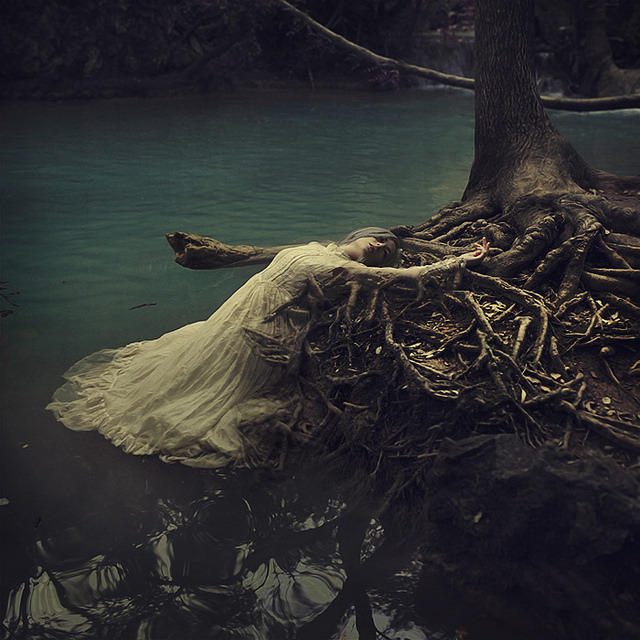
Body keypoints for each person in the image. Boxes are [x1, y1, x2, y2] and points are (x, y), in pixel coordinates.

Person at [47, 228, 488, 468]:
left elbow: (409, 278)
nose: (381, 247)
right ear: (359, 233)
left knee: (222, 388)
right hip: (239, 312)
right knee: (190, 362)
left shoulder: (351, 271)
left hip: (270, 331)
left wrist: (459, 260)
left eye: (387, 251)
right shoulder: (314, 247)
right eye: (379, 238)